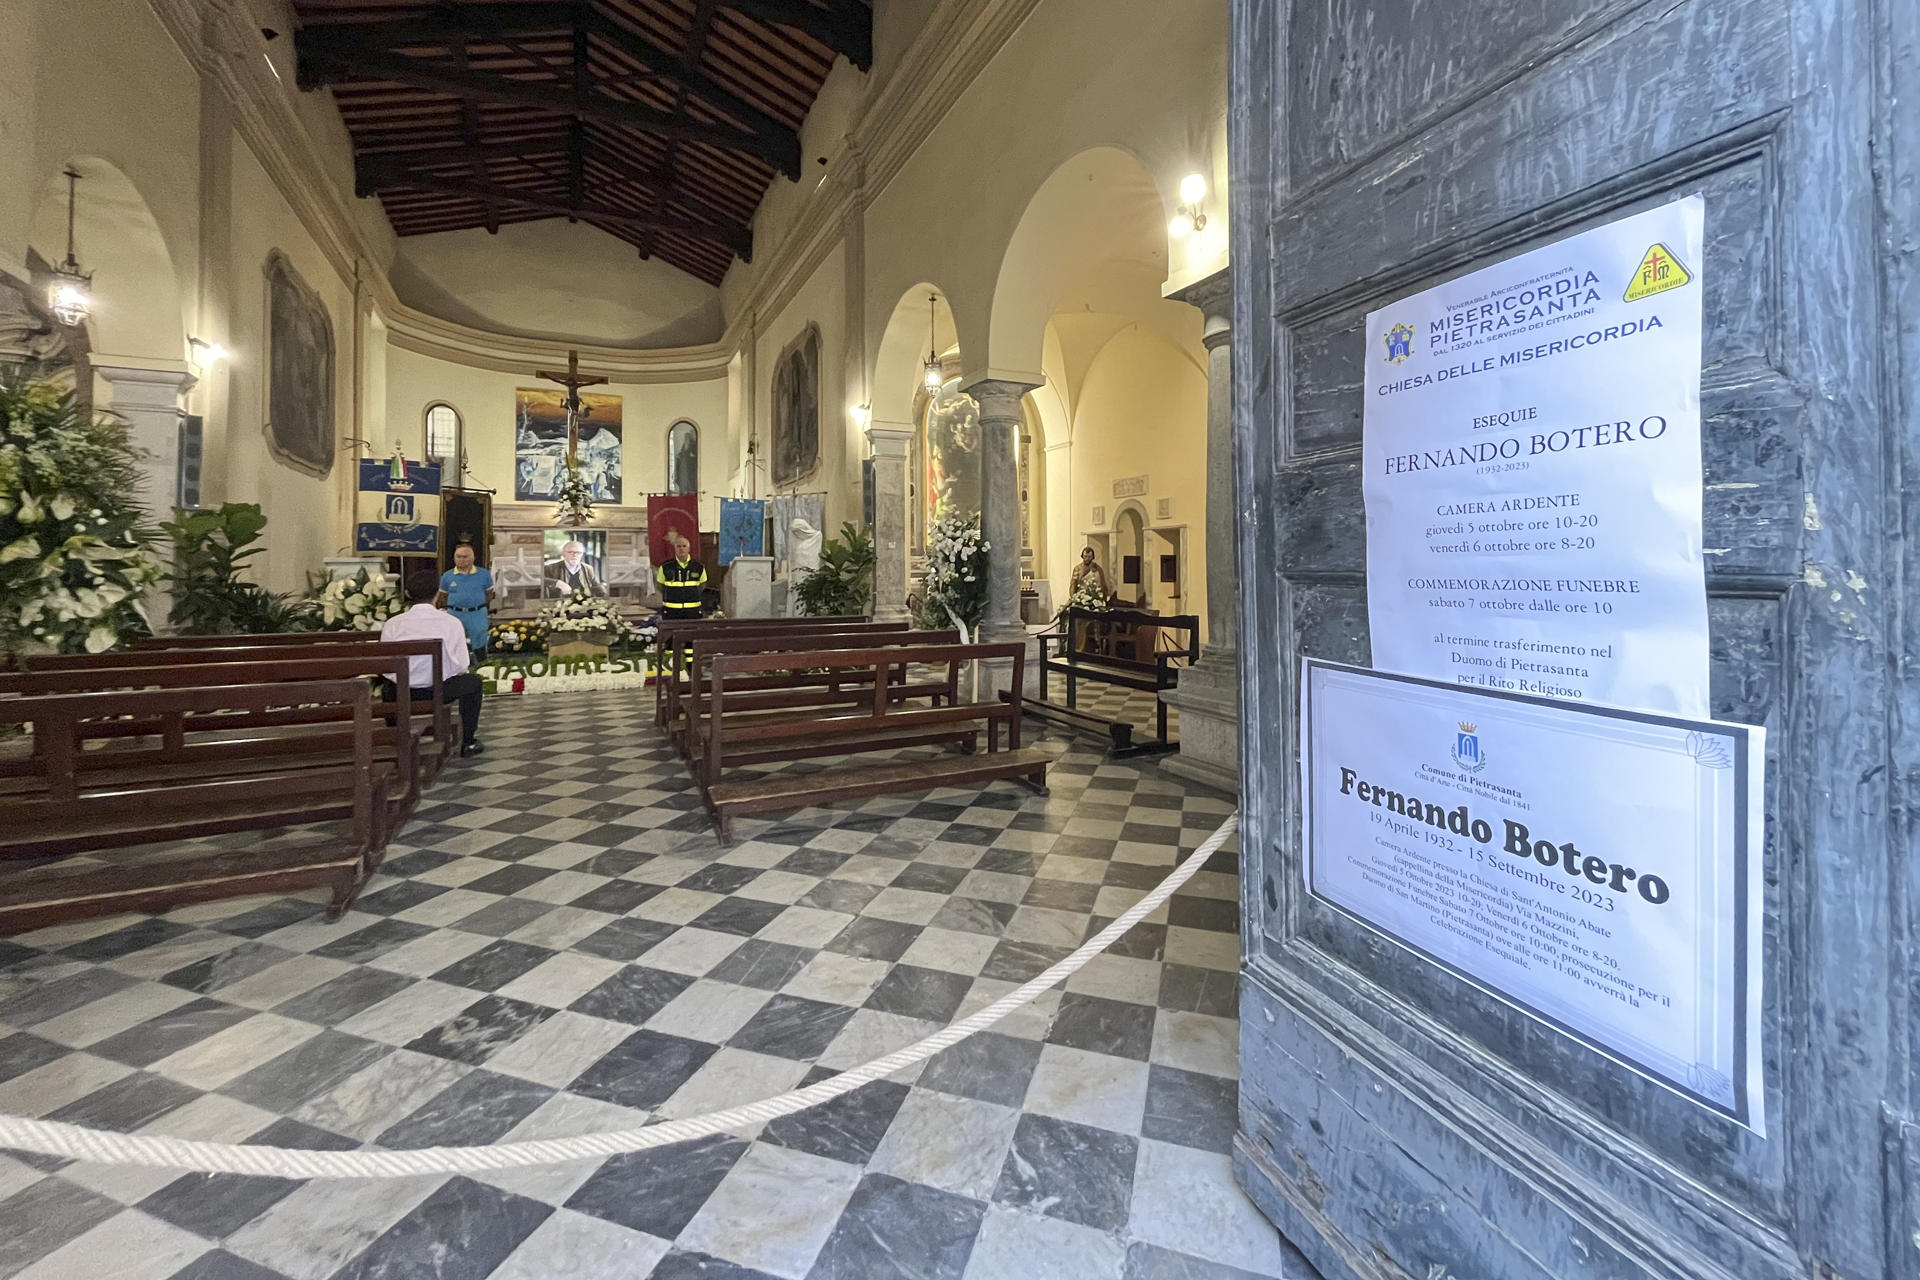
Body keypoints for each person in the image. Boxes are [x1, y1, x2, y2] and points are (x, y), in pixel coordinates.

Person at [382, 570, 485, 758]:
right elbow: (462, 665)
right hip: (440, 690)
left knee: (387, 687)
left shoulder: (393, 624)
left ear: (408, 594)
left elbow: (386, 666)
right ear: (438, 593)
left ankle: (396, 739)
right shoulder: (451, 623)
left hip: (402, 692)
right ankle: (468, 741)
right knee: (473, 683)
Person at [435, 542, 494, 653]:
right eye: (458, 556)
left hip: (477, 613)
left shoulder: (484, 574)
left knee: (480, 645)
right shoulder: (447, 576)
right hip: (455, 614)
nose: (461, 559)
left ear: (473, 558)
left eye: (465, 557)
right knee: (455, 645)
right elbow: (443, 596)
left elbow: (489, 594)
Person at [655, 528, 708, 620]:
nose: (681, 549)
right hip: (671, 610)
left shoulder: (698, 567)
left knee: (691, 633)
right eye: (678, 546)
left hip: (693, 611)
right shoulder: (666, 567)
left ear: (689, 548)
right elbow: (660, 585)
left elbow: (702, 585)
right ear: (674, 548)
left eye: (684, 546)